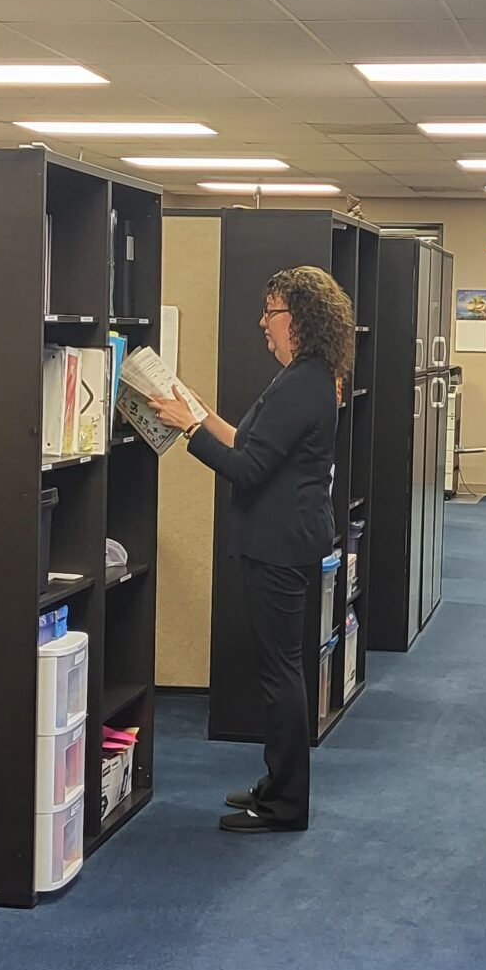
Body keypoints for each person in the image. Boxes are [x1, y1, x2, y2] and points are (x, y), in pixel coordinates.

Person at [154, 265, 354, 834]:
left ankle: (286, 804)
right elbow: (246, 438)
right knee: (280, 669)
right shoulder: (302, 376)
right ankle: (275, 785)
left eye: (271, 312)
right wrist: (196, 412)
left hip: (280, 543)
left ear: (299, 318)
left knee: (281, 674)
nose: (263, 324)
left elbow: (247, 467)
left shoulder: (304, 382)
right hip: (281, 539)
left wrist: (187, 434)